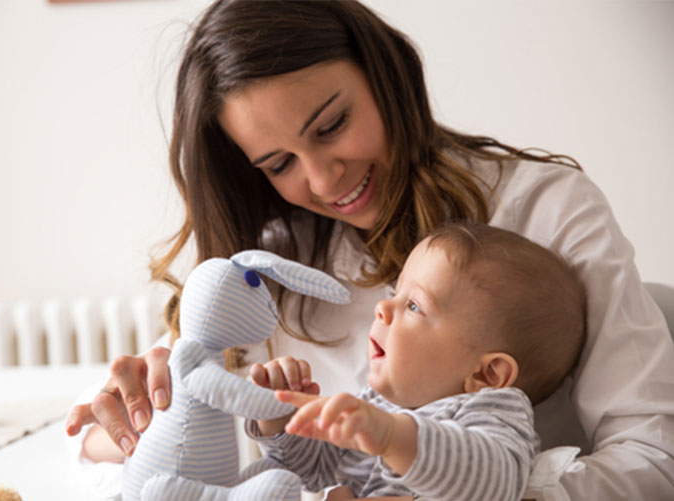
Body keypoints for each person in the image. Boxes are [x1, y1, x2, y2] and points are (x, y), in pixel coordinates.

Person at [64, 1, 674, 499]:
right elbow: (135, 447)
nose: (325, 182)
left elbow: (653, 460)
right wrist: (139, 418)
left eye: (330, 126)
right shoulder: (268, 265)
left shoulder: (548, 209)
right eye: (279, 164)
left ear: (384, 73)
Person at [246, 223, 586, 500]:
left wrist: (394, 437)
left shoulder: (491, 410)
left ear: (487, 373)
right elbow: (313, 471)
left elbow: (495, 482)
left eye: (414, 306)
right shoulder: (376, 405)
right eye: (395, 294)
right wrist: (279, 419)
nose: (382, 308)